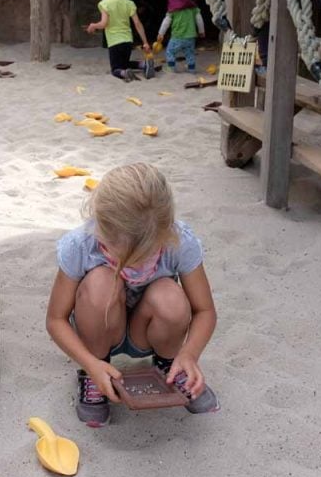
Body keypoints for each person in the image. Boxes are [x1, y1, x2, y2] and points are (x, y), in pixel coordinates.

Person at [46, 163, 219, 428]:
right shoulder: (80, 245)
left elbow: (204, 310)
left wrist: (190, 354)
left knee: (170, 297)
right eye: (117, 249)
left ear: (163, 234)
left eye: (142, 255)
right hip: (100, 328)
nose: (128, 261)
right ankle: (95, 375)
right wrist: (90, 363)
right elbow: (56, 319)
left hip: (147, 329)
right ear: (99, 223)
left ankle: (171, 366)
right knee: (101, 283)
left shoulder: (179, 241)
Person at [85, 0, 154, 82]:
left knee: (115, 69)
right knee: (125, 63)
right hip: (127, 41)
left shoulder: (105, 3)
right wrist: (145, 42)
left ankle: (124, 73)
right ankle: (143, 64)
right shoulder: (130, 3)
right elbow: (138, 24)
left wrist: (93, 25)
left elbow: (103, 24)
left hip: (114, 41)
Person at [155, 0, 205, 73]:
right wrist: (201, 31)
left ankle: (171, 68)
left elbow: (166, 22)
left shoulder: (173, 9)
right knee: (190, 53)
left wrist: (160, 33)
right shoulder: (192, 7)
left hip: (177, 37)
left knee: (170, 52)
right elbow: (199, 19)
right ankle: (191, 69)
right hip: (190, 37)